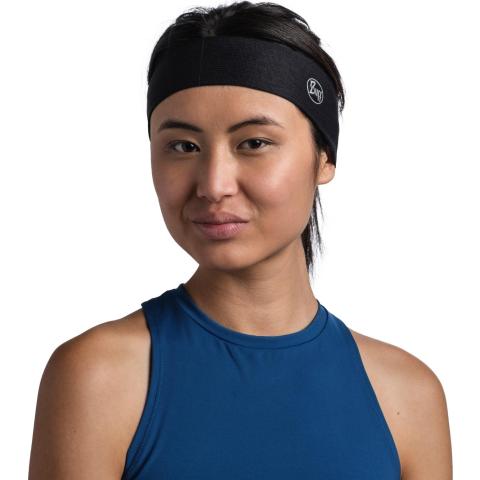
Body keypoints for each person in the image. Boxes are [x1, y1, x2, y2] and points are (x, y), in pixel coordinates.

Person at [28, 2, 453, 479]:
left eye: (254, 143)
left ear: (324, 157)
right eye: (183, 146)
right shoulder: (98, 378)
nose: (213, 185)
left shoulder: (408, 397)